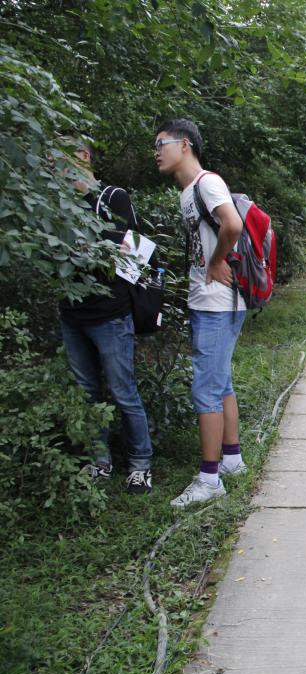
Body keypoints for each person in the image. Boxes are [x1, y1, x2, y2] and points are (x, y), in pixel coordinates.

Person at [154, 119, 248, 508]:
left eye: (161, 144)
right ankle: (232, 460)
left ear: (185, 145)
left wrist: (216, 261)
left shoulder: (207, 183)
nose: (156, 152)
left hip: (216, 303)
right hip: (210, 301)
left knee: (206, 389)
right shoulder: (188, 192)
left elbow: (233, 224)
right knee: (220, 383)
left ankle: (210, 479)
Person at [58, 137, 154, 494]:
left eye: (59, 159)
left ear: (83, 157)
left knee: (122, 391)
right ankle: (100, 462)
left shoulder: (112, 198)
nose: (53, 168)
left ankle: (140, 465)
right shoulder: (56, 205)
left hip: (110, 315)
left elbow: (136, 251)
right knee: (87, 392)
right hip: (71, 314)